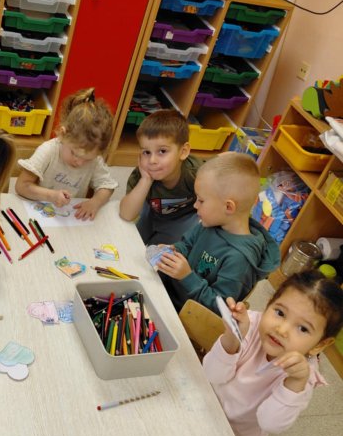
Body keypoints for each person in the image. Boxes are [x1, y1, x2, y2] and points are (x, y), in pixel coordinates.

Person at [203, 270, 343, 436]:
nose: (282, 330)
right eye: (280, 313)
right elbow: (211, 375)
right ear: (268, 304)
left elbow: (269, 423)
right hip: (205, 406)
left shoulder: (303, 377)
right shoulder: (250, 325)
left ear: (319, 344)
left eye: (303, 328)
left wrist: (294, 383)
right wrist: (232, 339)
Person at [156, 152, 280, 311]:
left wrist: (187, 277)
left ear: (228, 207)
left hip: (182, 313)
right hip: (166, 290)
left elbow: (221, 309)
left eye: (201, 200)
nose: (195, 205)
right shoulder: (211, 223)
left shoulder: (239, 259)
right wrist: (174, 250)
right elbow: (187, 245)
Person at [15, 87, 118, 220]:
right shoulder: (49, 151)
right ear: (63, 134)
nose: (79, 162)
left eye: (87, 159)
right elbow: (21, 186)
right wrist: (50, 195)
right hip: (38, 214)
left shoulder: (95, 160)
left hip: (68, 219)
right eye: (74, 153)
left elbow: (107, 186)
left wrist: (95, 202)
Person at [119, 109, 201, 243]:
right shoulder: (141, 174)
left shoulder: (196, 173)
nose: (152, 160)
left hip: (183, 218)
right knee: (131, 240)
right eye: (146, 152)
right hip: (153, 212)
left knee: (168, 249)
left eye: (162, 151)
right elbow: (126, 214)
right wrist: (146, 180)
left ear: (183, 152)